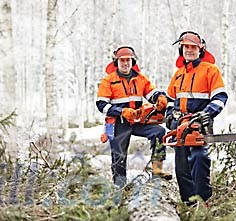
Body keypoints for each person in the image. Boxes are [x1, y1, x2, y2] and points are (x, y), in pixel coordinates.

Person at [166, 31, 228, 205]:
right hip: (180, 124)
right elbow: (170, 100)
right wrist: (170, 115)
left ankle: (204, 200)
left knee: (200, 158)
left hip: (199, 123)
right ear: (181, 49)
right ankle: (189, 203)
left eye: (193, 47)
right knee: (181, 165)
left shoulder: (210, 70)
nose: (190, 50)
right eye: (186, 47)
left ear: (200, 49)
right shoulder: (178, 74)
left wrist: (206, 113)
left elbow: (220, 97)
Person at [96, 46, 171, 188]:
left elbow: (151, 93)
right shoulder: (109, 81)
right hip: (119, 123)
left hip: (138, 120)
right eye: (122, 60)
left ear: (133, 61)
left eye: (128, 60)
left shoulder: (140, 78)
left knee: (159, 132)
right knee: (119, 156)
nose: (125, 63)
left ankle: (157, 168)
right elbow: (101, 104)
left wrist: (160, 98)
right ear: (116, 62)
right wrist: (121, 111)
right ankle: (120, 187)